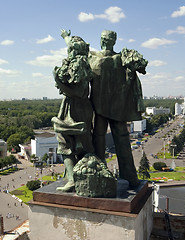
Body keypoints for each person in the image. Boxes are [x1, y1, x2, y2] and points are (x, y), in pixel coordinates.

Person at [89, 30, 147, 187]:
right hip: (100, 106)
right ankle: (100, 174)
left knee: (118, 139)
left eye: (106, 39)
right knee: (99, 139)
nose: (104, 41)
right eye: (103, 38)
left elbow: (137, 72)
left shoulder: (122, 57)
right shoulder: (92, 56)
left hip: (116, 107)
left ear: (113, 41)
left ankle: (129, 176)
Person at [52, 30, 94, 192]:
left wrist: (58, 82)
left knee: (77, 144)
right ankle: (73, 178)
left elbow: (79, 93)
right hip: (70, 107)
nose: (68, 52)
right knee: (66, 142)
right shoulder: (79, 61)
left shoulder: (80, 67)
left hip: (78, 108)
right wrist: (65, 36)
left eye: (71, 50)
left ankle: (77, 179)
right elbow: (71, 44)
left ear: (76, 52)